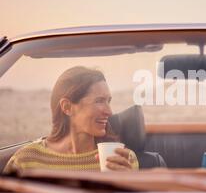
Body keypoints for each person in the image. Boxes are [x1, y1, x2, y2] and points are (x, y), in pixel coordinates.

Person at [4, 66, 139, 174]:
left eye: (108, 101)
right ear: (67, 107)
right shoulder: (27, 160)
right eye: (99, 101)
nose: (109, 112)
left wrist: (128, 183)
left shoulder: (121, 159)